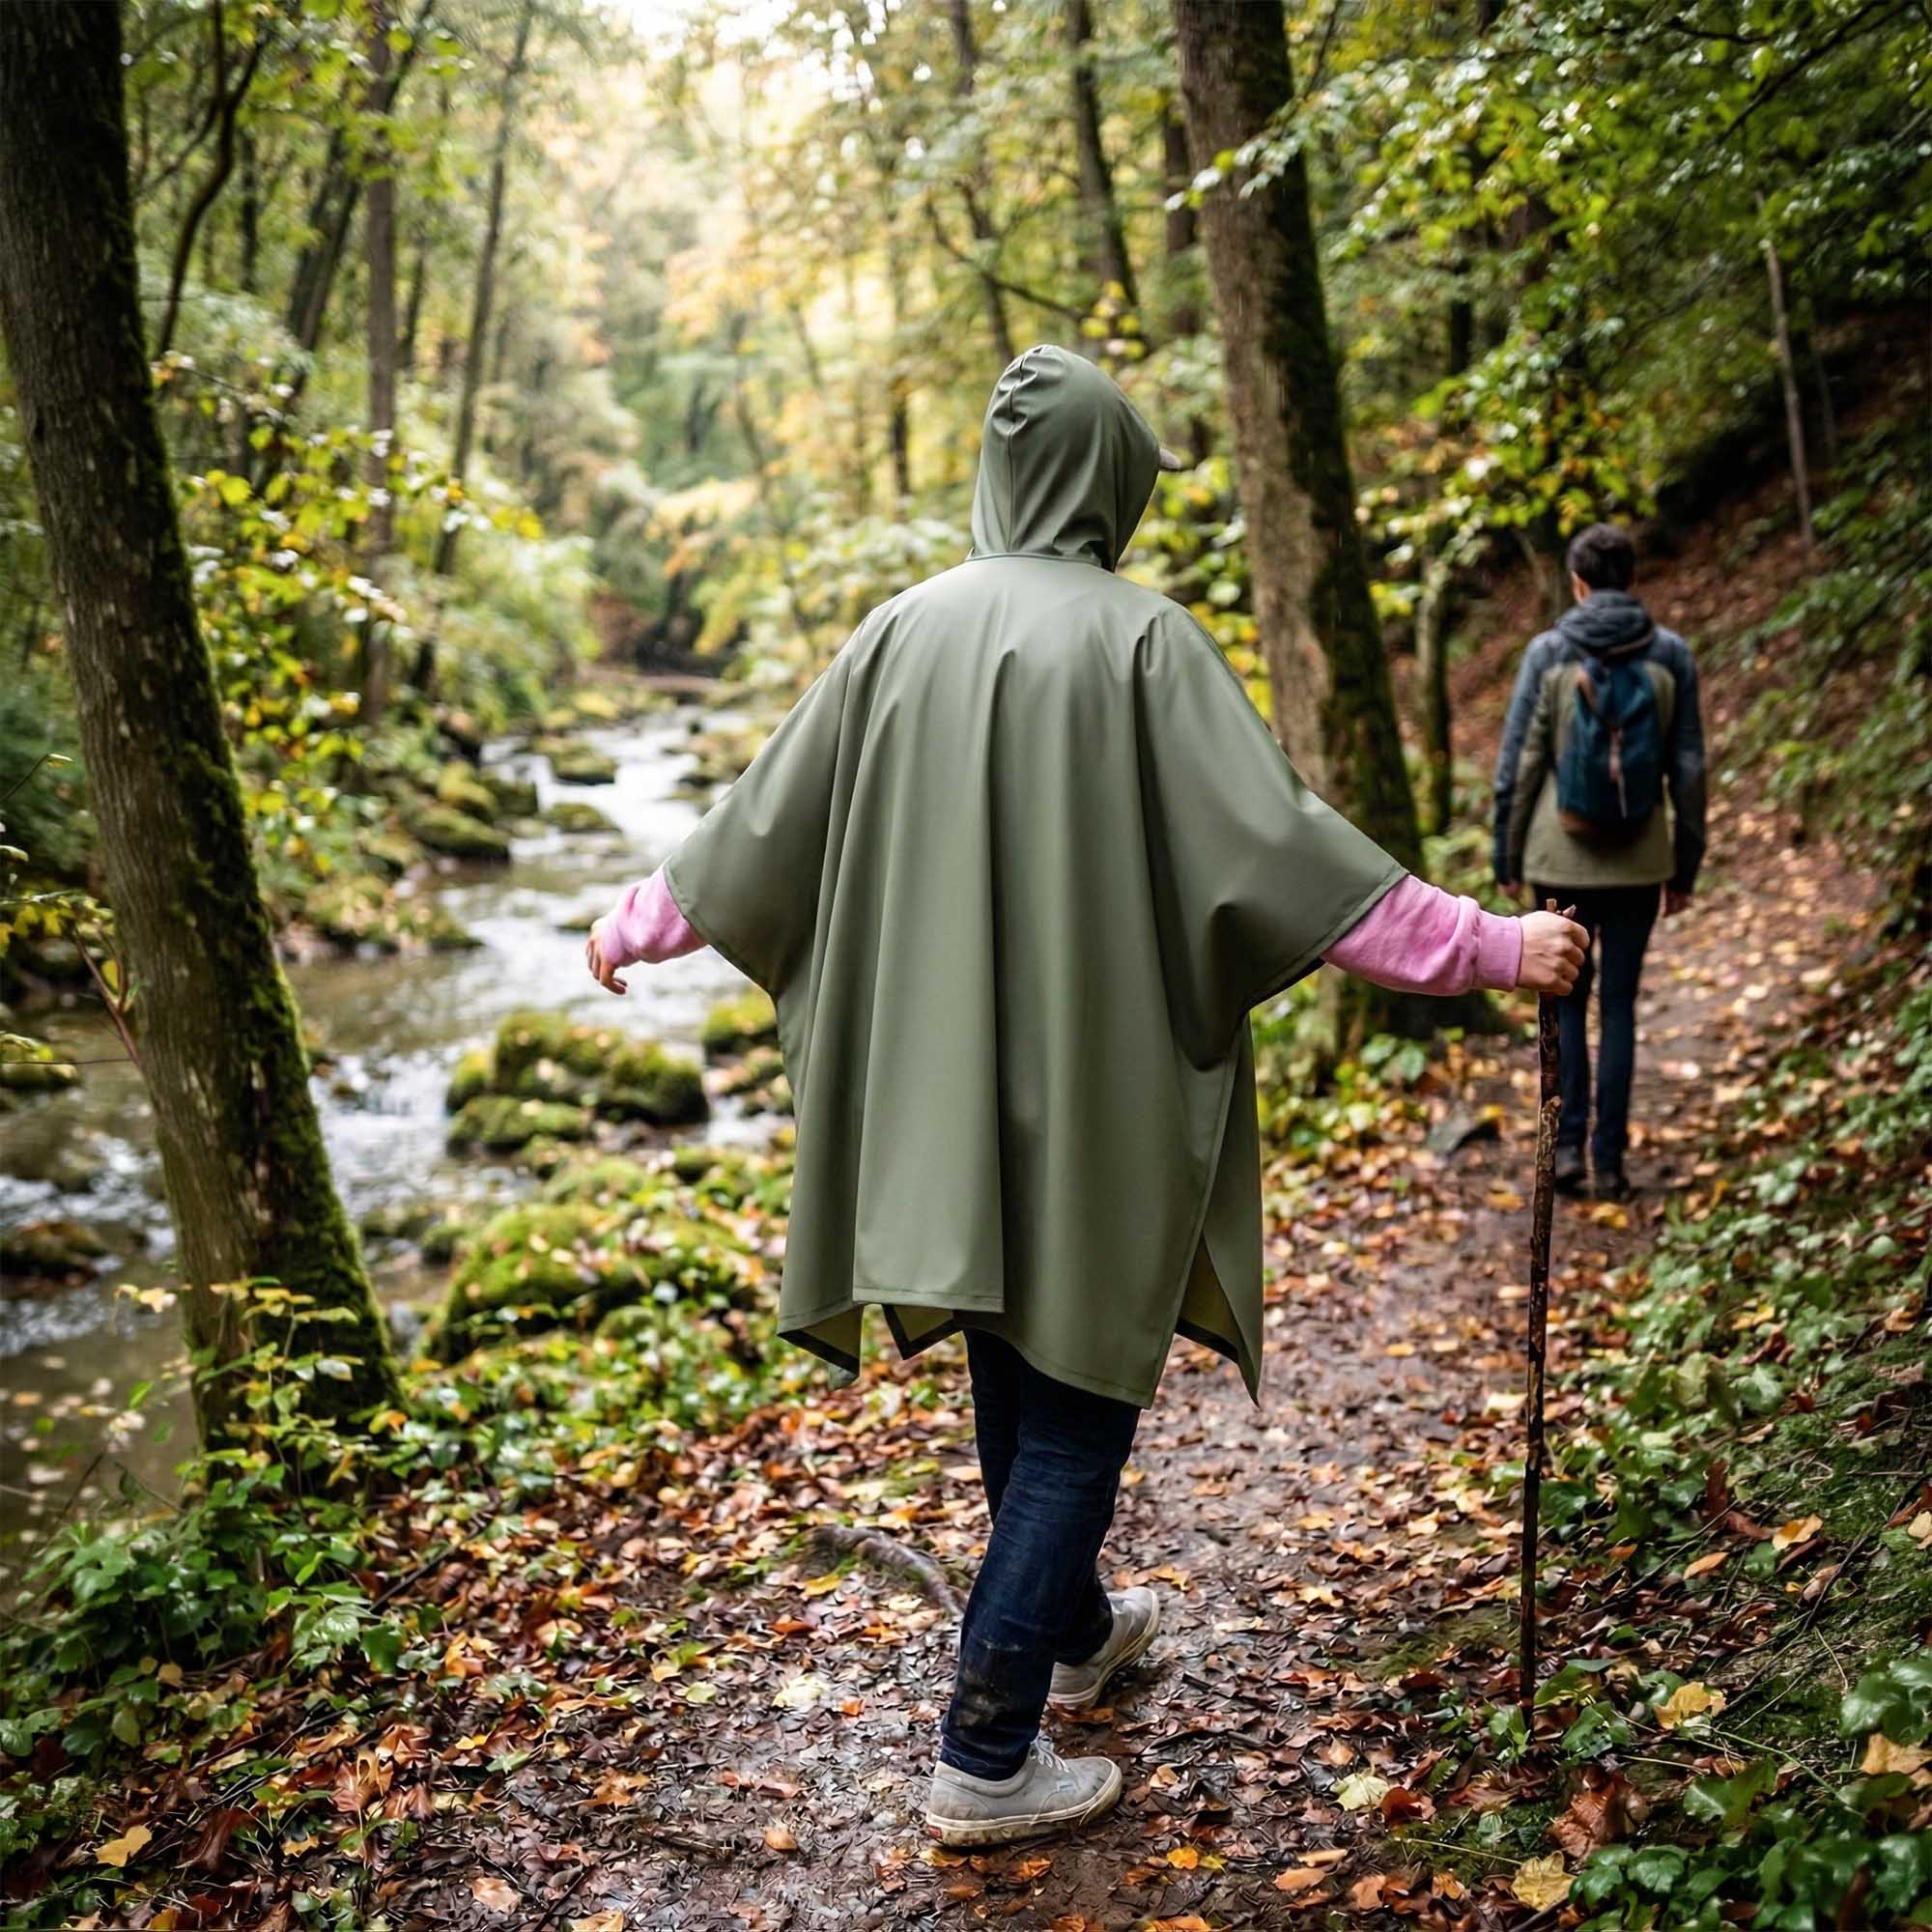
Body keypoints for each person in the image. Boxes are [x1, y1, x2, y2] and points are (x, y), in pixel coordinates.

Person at [587, 346, 1585, 1848]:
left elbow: (752, 830)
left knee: (1016, 1365)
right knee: (1076, 1421)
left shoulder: (895, 634)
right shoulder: (1144, 643)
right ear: (1107, 478)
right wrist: (1501, 946)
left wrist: (633, 924)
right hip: (1096, 1106)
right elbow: (1298, 866)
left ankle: (1076, 1626)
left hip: (943, 1112)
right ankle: (988, 1756)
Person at [1492, 522, 1706, 1201]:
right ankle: (1611, 1161)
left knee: (1567, 1006)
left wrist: (1506, 849)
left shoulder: (1548, 651)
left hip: (1562, 863)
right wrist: (1685, 862)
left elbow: (1521, 761)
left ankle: (1567, 1155)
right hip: (1642, 862)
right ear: (1630, 578)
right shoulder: (1670, 654)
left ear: (1577, 582)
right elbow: (1690, 766)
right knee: (1618, 1006)